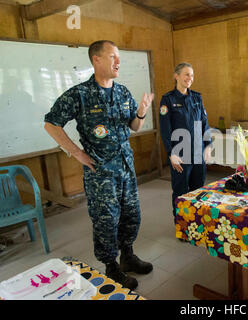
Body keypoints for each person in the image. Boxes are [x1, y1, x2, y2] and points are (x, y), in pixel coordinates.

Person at [44, 40, 154, 290]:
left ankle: (127, 256)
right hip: (101, 173)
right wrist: (76, 153)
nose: (118, 62)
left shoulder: (123, 92)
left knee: (131, 216)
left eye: (119, 57)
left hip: (126, 168)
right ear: (96, 59)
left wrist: (141, 113)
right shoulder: (80, 94)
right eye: (113, 56)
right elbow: (51, 123)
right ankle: (111, 267)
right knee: (106, 220)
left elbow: (134, 127)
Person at [159, 62, 212, 227]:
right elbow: (165, 129)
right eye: (186, 74)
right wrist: (170, 153)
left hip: (198, 153)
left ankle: (196, 223)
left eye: (192, 75)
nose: (190, 78)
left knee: (198, 190)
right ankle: (182, 226)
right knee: (181, 192)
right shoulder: (168, 99)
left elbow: (205, 124)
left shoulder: (197, 97)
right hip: (180, 154)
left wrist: (208, 146)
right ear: (176, 76)